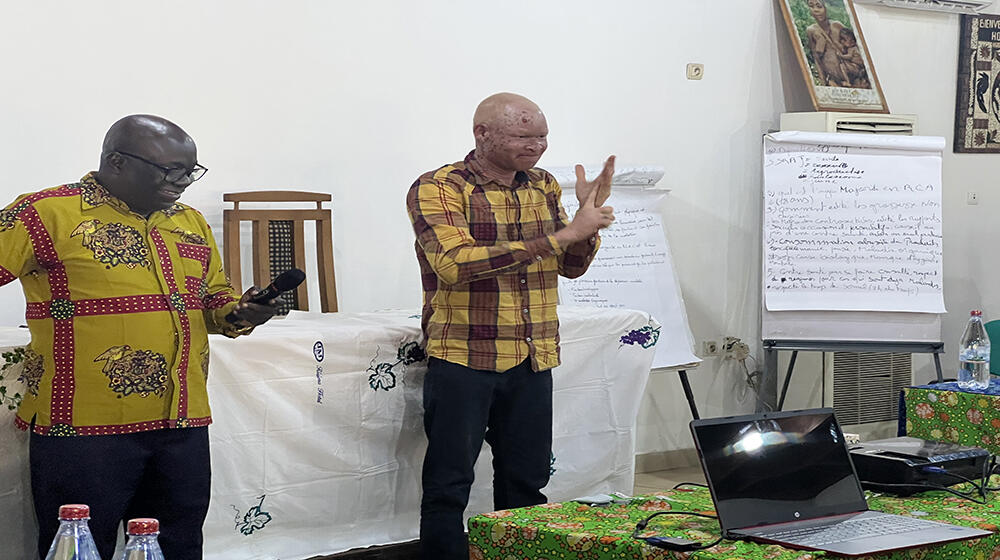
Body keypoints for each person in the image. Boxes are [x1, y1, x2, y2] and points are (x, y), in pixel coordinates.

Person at [0, 115, 280, 560]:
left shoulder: (188, 221)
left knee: (176, 546)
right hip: (82, 428)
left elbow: (215, 302)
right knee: (79, 549)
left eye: (192, 170)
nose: (186, 181)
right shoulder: (45, 213)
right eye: (172, 170)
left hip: (181, 423)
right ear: (116, 162)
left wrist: (244, 312)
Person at [406, 92, 616, 560]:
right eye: (524, 136)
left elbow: (572, 266)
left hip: (532, 354)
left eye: (542, 136)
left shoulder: (543, 185)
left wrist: (588, 225)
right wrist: (562, 235)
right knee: (448, 485)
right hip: (463, 355)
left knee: (527, 482)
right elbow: (455, 264)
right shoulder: (439, 186)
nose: (537, 146)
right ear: (483, 134)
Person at [805, 0, 850, 87]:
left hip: (848, 74)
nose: (815, 10)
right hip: (833, 78)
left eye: (819, 6)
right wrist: (823, 82)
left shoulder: (837, 26)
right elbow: (816, 58)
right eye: (811, 6)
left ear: (826, 7)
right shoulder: (811, 30)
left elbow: (854, 48)